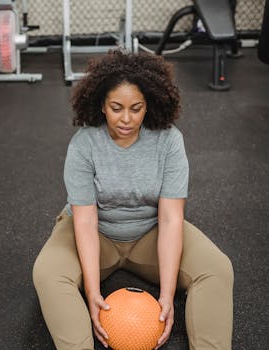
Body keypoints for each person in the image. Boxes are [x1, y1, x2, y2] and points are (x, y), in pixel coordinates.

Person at [32, 50, 233, 350]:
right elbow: (85, 220)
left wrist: (166, 295)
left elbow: (170, 218)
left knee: (217, 268)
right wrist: (92, 292)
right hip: (95, 233)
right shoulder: (84, 144)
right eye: (116, 108)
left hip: (150, 232)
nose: (126, 119)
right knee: (47, 273)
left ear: (148, 104)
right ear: (101, 104)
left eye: (136, 108)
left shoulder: (169, 140)